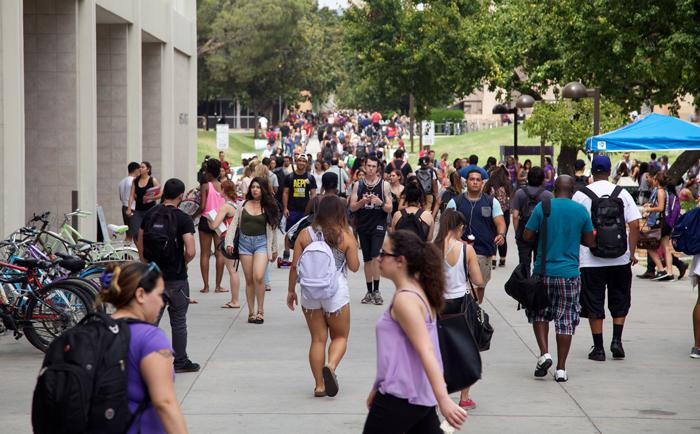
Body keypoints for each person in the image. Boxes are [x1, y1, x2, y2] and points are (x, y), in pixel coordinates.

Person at [363, 230, 466, 434]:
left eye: (384, 254)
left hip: (401, 395)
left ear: (400, 261)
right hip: (417, 394)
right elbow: (399, 352)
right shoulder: (416, 292)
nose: (379, 257)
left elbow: (426, 350)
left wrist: (443, 399)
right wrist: (377, 386)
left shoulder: (406, 300)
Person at [98, 262, 189, 433]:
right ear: (140, 294)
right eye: (160, 295)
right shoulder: (151, 338)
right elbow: (165, 403)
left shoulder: (93, 331)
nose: (162, 303)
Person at [287, 196, 360, 397]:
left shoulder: (305, 233)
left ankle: (319, 385)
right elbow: (354, 267)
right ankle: (331, 366)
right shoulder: (345, 235)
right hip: (335, 293)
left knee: (318, 339)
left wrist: (291, 291)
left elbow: (294, 266)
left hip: (310, 293)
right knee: (340, 337)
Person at [524, 176, 595, 382]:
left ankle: (544, 354)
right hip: (569, 274)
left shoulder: (543, 207)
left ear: (554, 189)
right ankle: (561, 369)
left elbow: (527, 235)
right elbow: (591, 241)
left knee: (540, 313)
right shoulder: (580, 211)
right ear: (573, 191)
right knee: (565, 320)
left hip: (543, 271)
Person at [572, 155, 641, 361]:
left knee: (594, 301)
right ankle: (617, 341)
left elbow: (575, 227)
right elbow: (635, 224)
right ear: (610, 171)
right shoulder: (622, 193)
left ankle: (599, 348)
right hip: (620, 258)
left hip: (590, 260)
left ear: (592, 172)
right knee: (620, 298)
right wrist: (631, 252)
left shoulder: (581, 195)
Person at [137, 178, 199, 373]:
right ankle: (180, 361)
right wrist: (183, 263)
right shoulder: (183, 218)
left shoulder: (150, 214)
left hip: (153, 276)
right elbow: (191, 250)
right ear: (181, 196)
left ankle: (143, 361)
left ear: (163, 192)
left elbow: (140, 240)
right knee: (178, 321)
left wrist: (145, 262)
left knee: (151, 321)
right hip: (176, 278)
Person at [433, 209, 484, 411]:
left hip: (438, 304)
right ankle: (464, 397)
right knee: (465, 350)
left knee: (438, 350)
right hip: (461, 303)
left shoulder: (432, 248)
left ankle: (437, 395)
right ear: (460, 227)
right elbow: (478, 280)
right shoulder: (466, 250)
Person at [225, 177, 280, 324]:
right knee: (249, 280)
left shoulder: (268, 206)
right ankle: (251, 312)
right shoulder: (242, 205)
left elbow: (273, 229)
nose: (255, 190)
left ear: (263, 190)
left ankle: (260, 311)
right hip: (244, 244)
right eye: (253, 187)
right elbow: (233, 225)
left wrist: (274, 249)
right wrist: (229, 242)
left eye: (258, 187)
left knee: (259, 277)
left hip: (262, 243)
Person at [446, 169, 506, 303]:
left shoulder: (491, 202)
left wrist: (501, 234)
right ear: (466, 182)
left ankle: (476, 308)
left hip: (483, 251)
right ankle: (465, 309)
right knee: (463, 285)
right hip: (459, 251)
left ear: (482, 183)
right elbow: (446, 225)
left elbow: (500, 222)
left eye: (478, 180)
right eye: (472, 179)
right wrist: (456, 240)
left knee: (480, 285)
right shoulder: (455, 202)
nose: (475, 182)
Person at [350, 156, 393, 305]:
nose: (371, 169)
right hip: (363, 225)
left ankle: (377, 290)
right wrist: (362, 202)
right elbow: (352, 207)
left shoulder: (384, 185)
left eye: (374, 166)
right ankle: (369, 291)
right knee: (367, 258)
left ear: (377, 168)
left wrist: (380, 203)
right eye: (369, 166)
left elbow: (390, 208)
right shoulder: (358, 185)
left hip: (378, 225)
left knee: (375, 256)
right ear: (364, 166)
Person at [510, 166, 553, 269]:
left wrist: (517, 233)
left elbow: (515, 215)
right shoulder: (548, 195)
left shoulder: (519, 193)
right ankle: (536, 278)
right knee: (539, 262)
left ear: (528, 178)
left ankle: (525, 278)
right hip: (541, 232)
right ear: (542, 179)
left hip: (524, 231)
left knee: (524, 263)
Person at [208, 180, 241, 309]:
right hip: (237, 239)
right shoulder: (236, 205)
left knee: (232, 271)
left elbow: (214, 225)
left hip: (228, 239)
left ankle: (235, 300)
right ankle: (235, 299)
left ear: (224, 190)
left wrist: (209, 220)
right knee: (234, 271)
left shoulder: (225, 207)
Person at [195, 158, 226, 294]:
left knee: (205, 254)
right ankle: (218, 286)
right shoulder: (222, 185)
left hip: (206, 220)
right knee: (220, 254)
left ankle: (206, 286)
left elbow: (202, 206)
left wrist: (192, 215)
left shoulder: (205, 185)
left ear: (208, 171)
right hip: (219, 221)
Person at [281, 155, 317, 266]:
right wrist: (285, 208)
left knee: (305, 233)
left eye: (304, 161)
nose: (301, 162)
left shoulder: (310, 178)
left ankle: (303, 256)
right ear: (296, 162)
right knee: (289, 232)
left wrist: (313, 209)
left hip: (305, 211)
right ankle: (286, 255)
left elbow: (313, 194)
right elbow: (285, 193)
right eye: (299, 160)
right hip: (292, 210)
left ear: (307, 163)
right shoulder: (289, 177)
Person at [642, 171, 677, 281]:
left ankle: (662, 270)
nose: (653, 180)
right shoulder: (664, 191)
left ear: (657, 181)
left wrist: (649, 209)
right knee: (666, 248)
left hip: (660, 223)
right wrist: (651, 205)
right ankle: (670, 273)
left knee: (649, 246)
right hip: (665, 223)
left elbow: (661, 208)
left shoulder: (660, 191)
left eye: (654, 179)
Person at [484, 166, 513, 268]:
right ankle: (502, 258)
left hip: (492, 213)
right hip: (505, 214)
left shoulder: (489, 186)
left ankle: (493, 257)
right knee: (502, 235)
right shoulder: (507, 186)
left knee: (492, 234)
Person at [127, 161, 161, 241]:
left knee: (149, 232)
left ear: (148, 169)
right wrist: (129, 208)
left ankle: (148, 247)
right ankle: (140, 248)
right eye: (140, 167)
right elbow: (131, 195)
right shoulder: (135, 180)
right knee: (136, 232)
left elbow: (161, 194)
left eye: (142, 167)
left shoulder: (153, 180)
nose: (140, 169)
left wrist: (150, 198)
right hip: (138, 210)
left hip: (151, 211)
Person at [119, 162, 140, 242]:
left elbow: (120, 197)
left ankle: (125, 249)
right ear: (136, 170)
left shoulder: (122, 182)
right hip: (132, 208)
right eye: (139, 170)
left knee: (128, 235)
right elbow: (135, 195)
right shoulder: (134, 181)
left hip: (124, 207)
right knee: (136, 234)